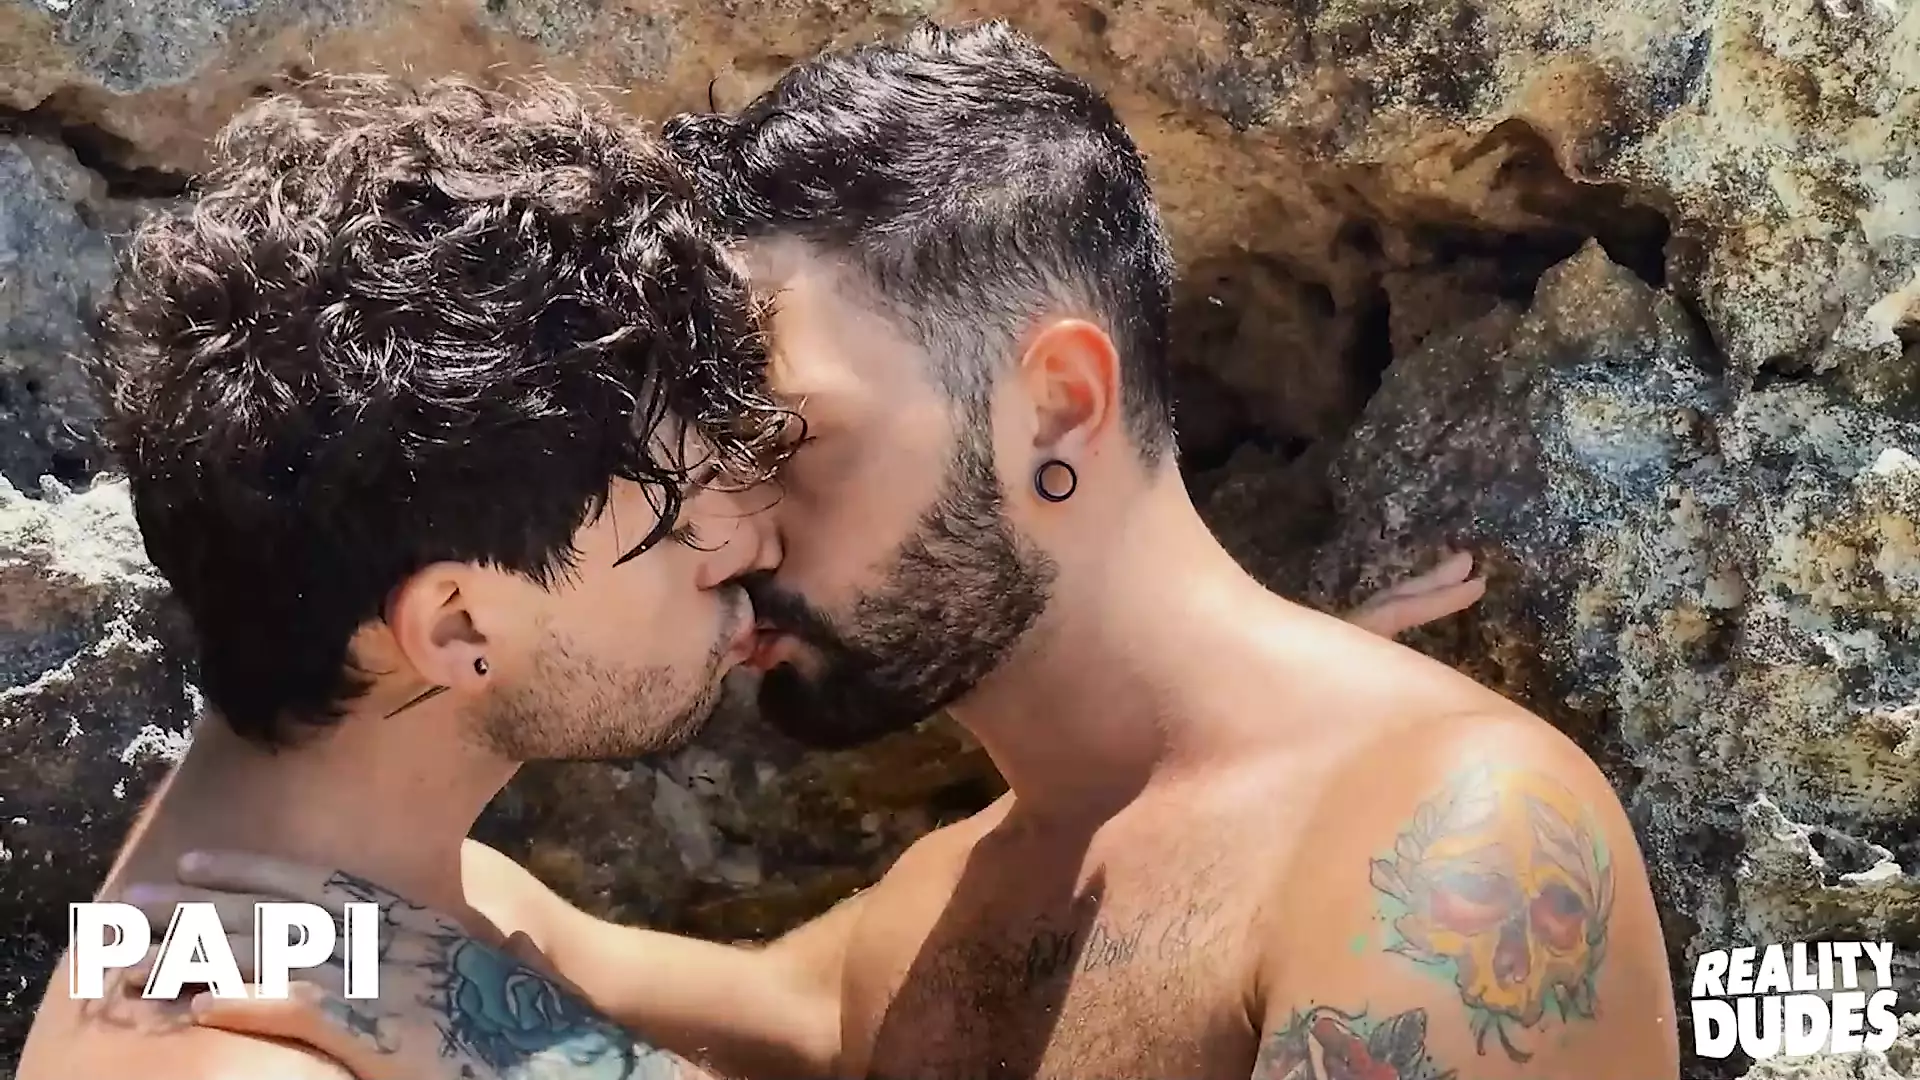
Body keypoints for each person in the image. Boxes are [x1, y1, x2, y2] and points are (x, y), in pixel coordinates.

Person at [122, 21, 1681, 1080]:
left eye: (788, 439)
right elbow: (469, 917)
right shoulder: (943, 905)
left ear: (1055, 407)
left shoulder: (1456, 850)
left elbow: (520, 1004)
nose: (730, 528)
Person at [15, 73, 799, 1080]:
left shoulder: (399, 921)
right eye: (681, 523)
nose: (752, 548)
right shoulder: (254, 1061)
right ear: (458, 627)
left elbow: (828, 1011)